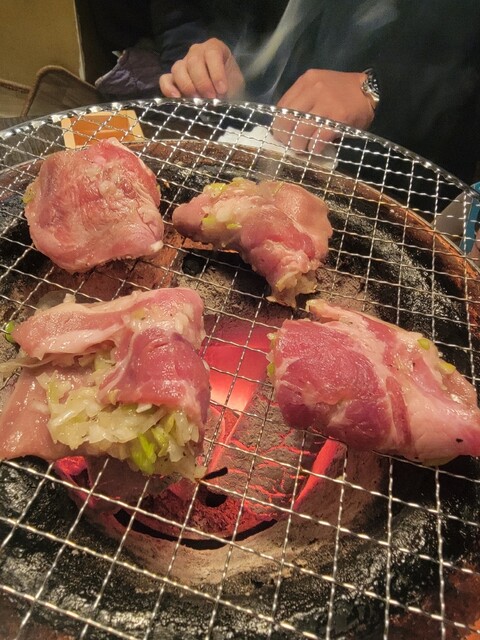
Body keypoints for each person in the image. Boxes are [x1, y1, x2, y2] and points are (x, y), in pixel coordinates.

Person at [153, 0, 480, 185]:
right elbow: (206, 15)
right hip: (271, 144)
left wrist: (378, 88)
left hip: (403, 175)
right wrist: (217, 69)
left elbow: (462, 64)